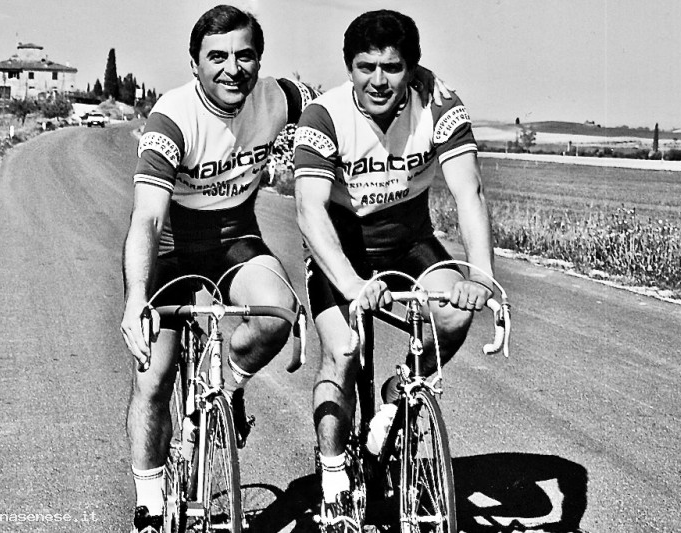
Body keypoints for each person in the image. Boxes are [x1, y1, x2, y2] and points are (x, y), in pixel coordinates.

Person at [119, 5, 319, 533]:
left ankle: (228, 389)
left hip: (234, 237)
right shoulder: (171, 119)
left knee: (277, 314)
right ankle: (149, 504)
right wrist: (136, 299)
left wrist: (418, 78)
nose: (233, 69)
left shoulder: (279, 97)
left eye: (244, 56)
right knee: (154, 378)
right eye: (217, 57)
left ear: (259, 62)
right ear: (194, 64)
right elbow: (146, 218)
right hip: (170, 248)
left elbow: (336, 104)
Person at [293, 9, 495, 525]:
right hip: (342, 248)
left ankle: (398, 395)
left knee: (453, 313)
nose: (378, 81)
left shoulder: (439, 103)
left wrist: (481, 276)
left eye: (392, 67)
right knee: (343, 351)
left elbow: (469, 191)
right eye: (366, 67)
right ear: (349, 67)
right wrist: (351, 284)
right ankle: (334, 477)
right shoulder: (324, 115)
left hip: (409, 241)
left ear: (412, 68)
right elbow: (309, 210)